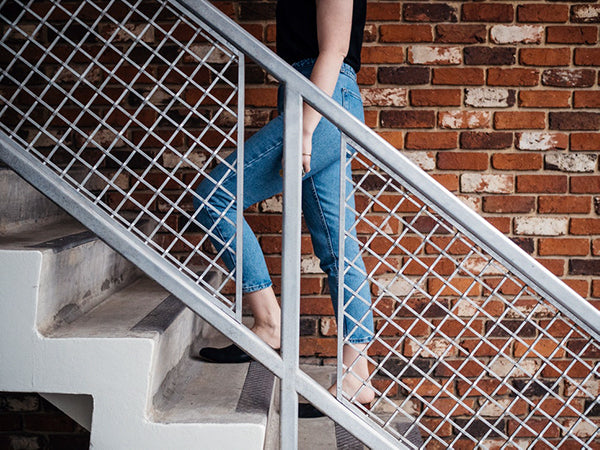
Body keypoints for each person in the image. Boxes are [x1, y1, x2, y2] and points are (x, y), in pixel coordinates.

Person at [193, 0, 375, 417]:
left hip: (322, 98)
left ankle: (269, 321)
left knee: (213, 195)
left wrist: (305, 126)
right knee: (337, 247)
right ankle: (357, 374)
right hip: (312, 95)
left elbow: (334, 49)